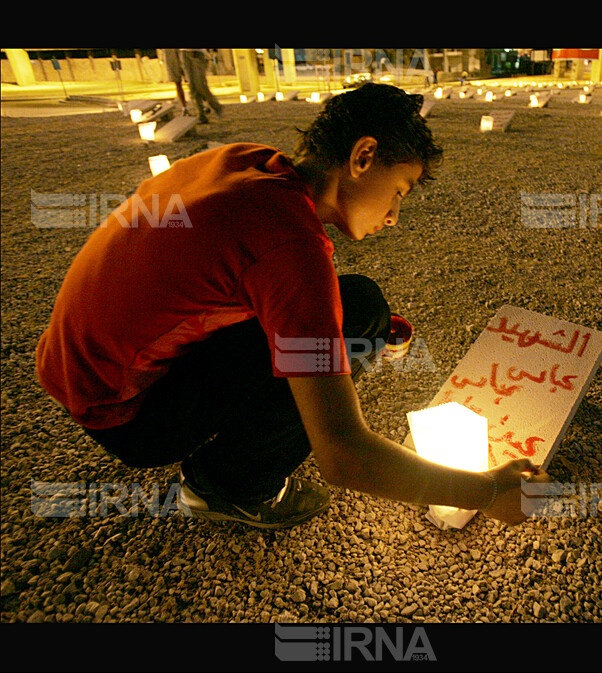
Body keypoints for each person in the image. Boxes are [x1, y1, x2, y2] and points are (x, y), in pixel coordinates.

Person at [36, 83, 546, 531]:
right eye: (398, 191)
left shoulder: (248, 163)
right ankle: (229, 487)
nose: (394, 216)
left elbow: (223, 276)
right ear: (362, 157)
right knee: (359, 309)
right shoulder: (291, 246)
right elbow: (343, 453)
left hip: (72, 370)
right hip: (125, 415)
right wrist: (488, 491)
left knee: (354, 313)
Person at [180, 48, 223, 123]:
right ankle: (201, 114)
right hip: (184, 52)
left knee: (200, 84)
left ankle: (215, 105)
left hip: (197, 52)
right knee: (192, 86)